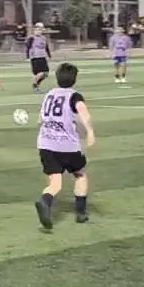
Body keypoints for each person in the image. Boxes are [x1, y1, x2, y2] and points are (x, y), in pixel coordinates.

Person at [34, 62, 95, 229]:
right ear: (74, 79)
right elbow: (84, 114)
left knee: (55, 183)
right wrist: (90, 132)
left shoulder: (49, 94)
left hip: (45, 144)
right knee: (80, 174)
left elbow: (40, 120)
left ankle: (45, 201)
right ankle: (81, 213)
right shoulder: (75, 96)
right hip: (67, 146)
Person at [26, 23, 52, 93]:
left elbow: (46, 47)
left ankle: (37, 84)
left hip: (43, 57)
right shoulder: (31, 38)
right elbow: (28, 48)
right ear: (34, 31)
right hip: (35, 57)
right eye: (37, 30)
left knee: (46, 73)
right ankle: (34, 85)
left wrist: (49, 55)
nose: (38, 31)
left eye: (40, 30)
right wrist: (28, 57)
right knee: (40, 73)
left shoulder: (43, 38)